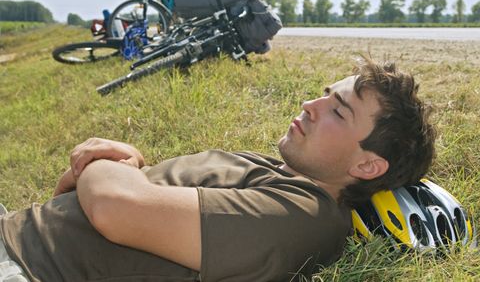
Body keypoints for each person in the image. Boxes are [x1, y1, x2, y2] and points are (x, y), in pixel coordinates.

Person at [0, 57, 435, 282]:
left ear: (367, 164)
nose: (311, 105)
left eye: (338, 111)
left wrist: (113, 161)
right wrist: (103, 173)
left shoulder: (304, 216)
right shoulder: (280, 175)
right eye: (324, 94)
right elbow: (86, 199)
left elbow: (116, 208)